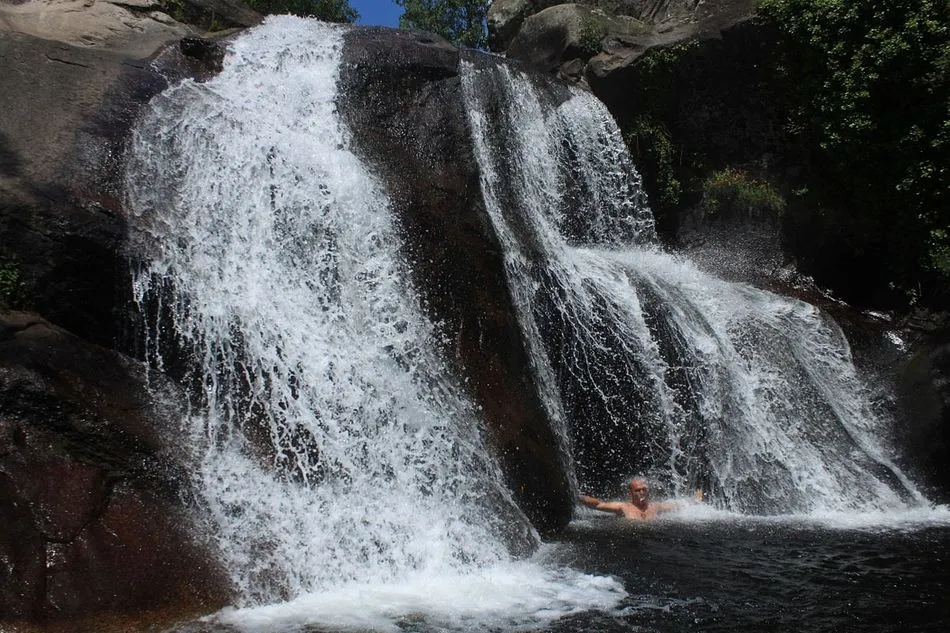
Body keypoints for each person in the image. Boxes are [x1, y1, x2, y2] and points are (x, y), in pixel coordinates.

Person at [579, 478, 703, 520]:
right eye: (638, 490)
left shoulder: (655, 506)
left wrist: (695, 502)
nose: (642, 492)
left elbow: (678, 505)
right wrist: (578, 496)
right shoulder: (623, 507)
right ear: (630, 492)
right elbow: (598, 504)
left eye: (644, 489)